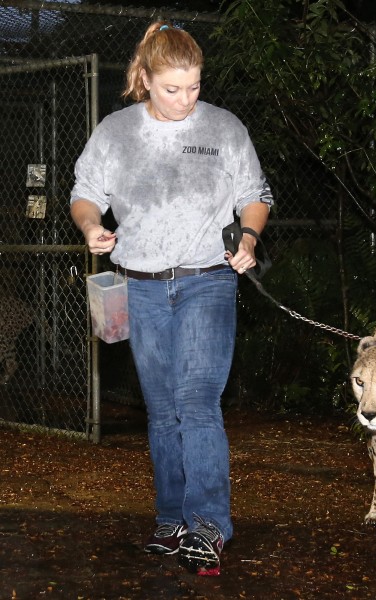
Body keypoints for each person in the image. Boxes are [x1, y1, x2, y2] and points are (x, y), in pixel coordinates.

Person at [70, 21, 273, 577]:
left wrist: (249, 237)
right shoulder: (115, 132)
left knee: (197, 399)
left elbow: (254, 197)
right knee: (161, 410)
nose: (186, 99)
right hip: (140, 285)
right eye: (172, 88)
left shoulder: (225, 128)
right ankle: (171, 516)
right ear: (145, 78)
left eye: (194, 86)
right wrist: (92, 227)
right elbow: (84, 195)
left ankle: (209, 522)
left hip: (208, 278)